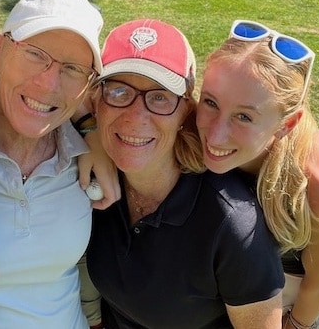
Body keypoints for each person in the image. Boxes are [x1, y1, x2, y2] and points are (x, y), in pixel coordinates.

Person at [85, 19, 284, 329]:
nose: (136, 116)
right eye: (119, 90)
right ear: (95, 101)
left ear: (185, 111)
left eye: (160, 97)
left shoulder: (231, 224)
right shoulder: (91, 174)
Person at [196, 19, 319, 329]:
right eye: (210, 102)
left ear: (287, 124)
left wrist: (295, 324)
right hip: (253, 288)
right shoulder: (195, 127)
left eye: (244, 116)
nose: (214, 137)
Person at [0, 0, 109, 328]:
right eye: (34, 54)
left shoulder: (90, 157)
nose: (48, 84)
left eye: (72, 69)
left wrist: (91, 132)